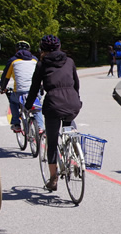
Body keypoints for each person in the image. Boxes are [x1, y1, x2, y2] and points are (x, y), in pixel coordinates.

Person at [25, 35, 82, 192]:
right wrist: (77, 100)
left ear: (42, 49)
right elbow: (76, 84)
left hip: (53, 104)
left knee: (52, 141)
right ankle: (75, 153)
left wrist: (28, 105)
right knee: (70, 123)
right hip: (72, 102)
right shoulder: (70, 61)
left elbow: (35, 87)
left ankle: (53, 179)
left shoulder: (42, 64)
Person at [0, 40, 42, 134]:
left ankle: (16, 124)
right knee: (37, 106)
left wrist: (2, 88)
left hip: (20, 90)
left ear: (16, 50)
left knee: (13, 102)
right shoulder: (35, 60)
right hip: (35, 88)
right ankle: (40, 127)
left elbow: (6, 77)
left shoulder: (13, 60)